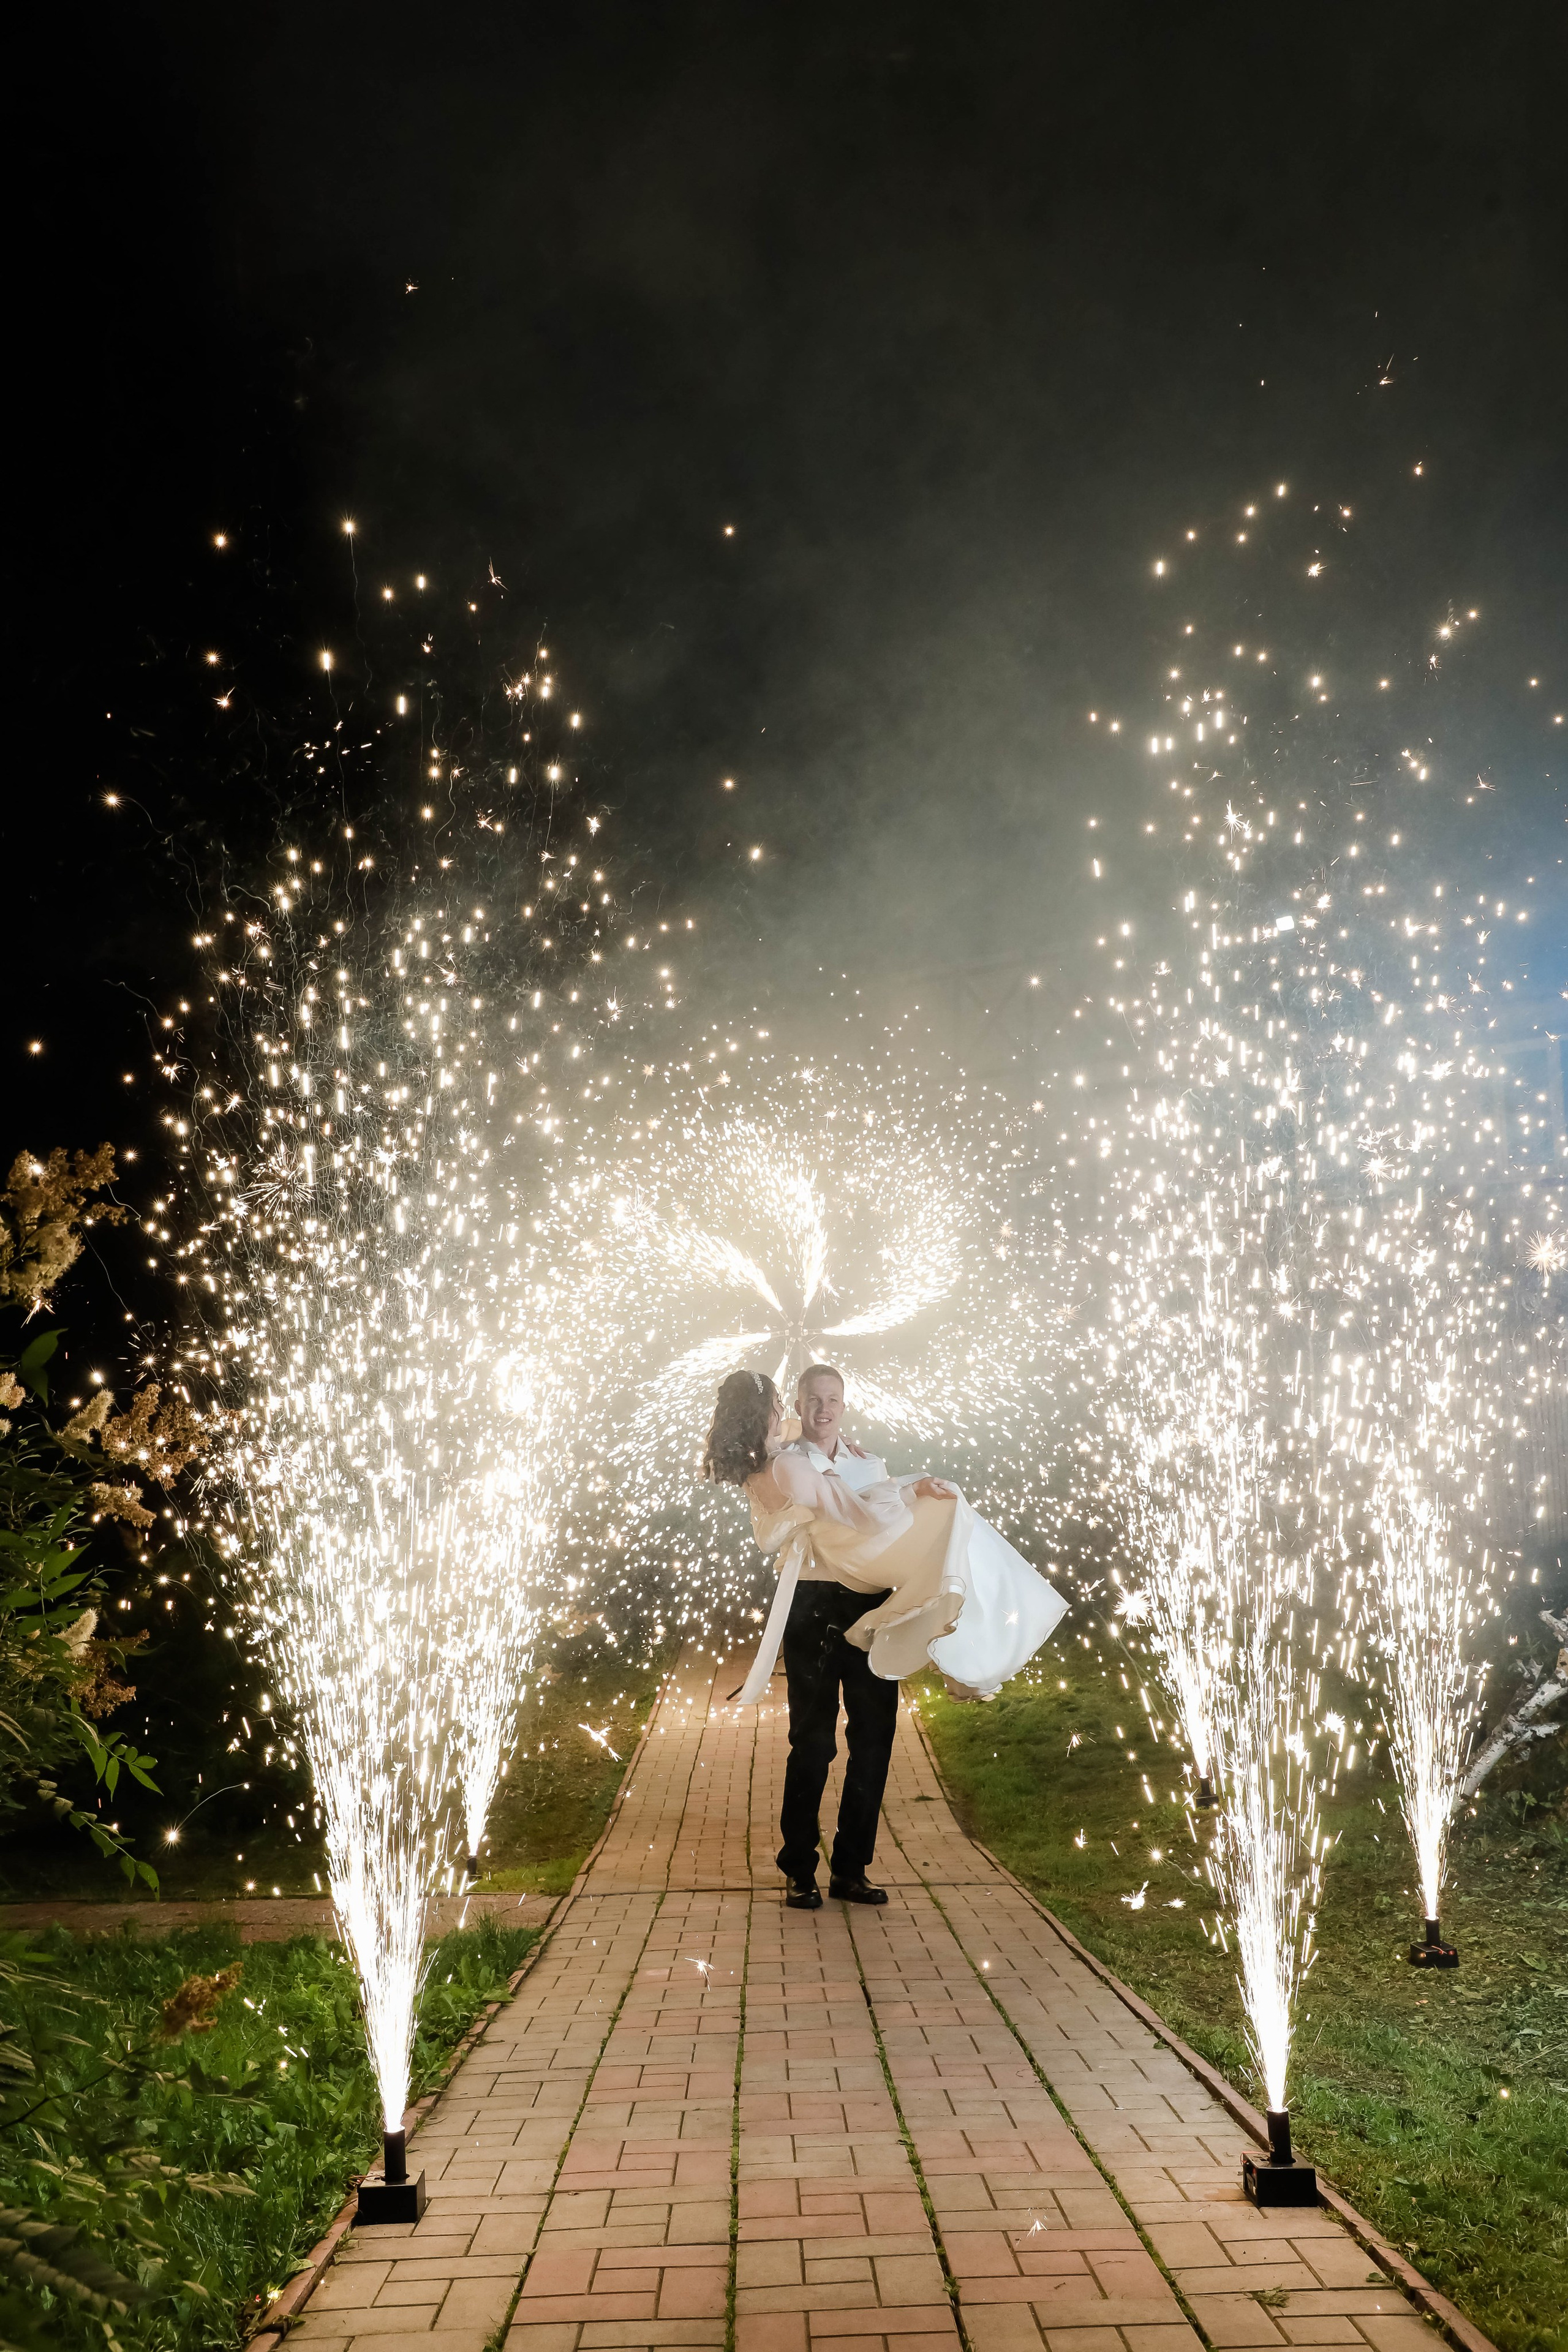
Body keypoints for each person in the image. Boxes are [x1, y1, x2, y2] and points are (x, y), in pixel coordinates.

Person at [701, 1365, 1067, 1913]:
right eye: (808, 1401)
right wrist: (908, 1490)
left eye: (833, 1400)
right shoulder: (786, 1465)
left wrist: (911, 1491)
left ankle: (851, 1868)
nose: (822, 1410)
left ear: (843, 1406)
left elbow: (883, 1521)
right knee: (814, 1743)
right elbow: (865, 1518)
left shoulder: (859, 1459)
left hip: (868, 1604)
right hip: (812, 1603)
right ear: (795, 1406)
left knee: (874, 1739)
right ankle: (799, 1869)